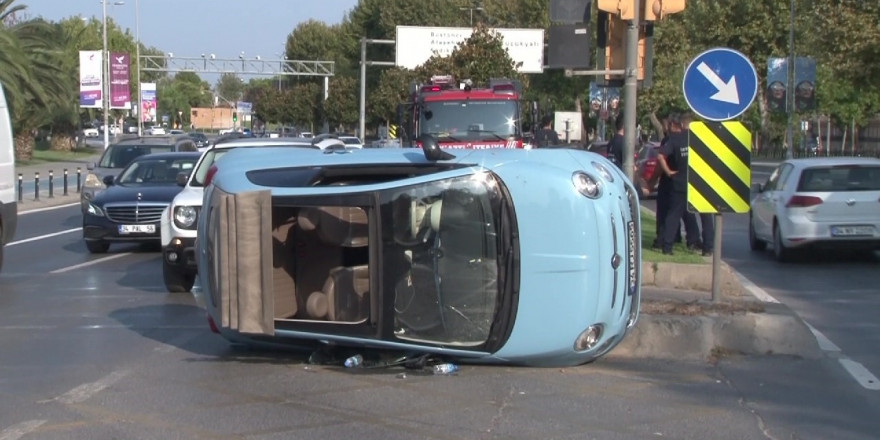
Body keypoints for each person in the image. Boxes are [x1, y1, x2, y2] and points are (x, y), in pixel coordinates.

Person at [656, 112, 692, 255]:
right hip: (695, 183)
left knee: (673, 215)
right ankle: (706, 245)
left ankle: (667, 246)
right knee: (702, 214)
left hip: (678, 182)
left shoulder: (674, 140)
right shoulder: (695, 139)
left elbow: (660, 156)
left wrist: (669, 171)